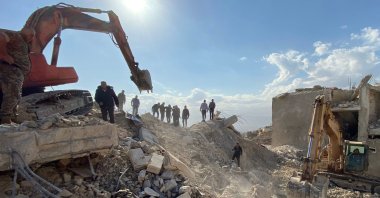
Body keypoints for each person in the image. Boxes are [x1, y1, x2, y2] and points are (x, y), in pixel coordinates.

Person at [0, 27, 35, 124]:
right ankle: (5, 118)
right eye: (31, 35)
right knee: (12, 93)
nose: (32, 37)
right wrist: (3, 55)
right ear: (24, 31)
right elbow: (1, 36)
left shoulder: (22, 41)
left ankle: (12, 117)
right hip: (12, 69)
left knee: (16, 95)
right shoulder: (16, 35)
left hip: (17, 71)